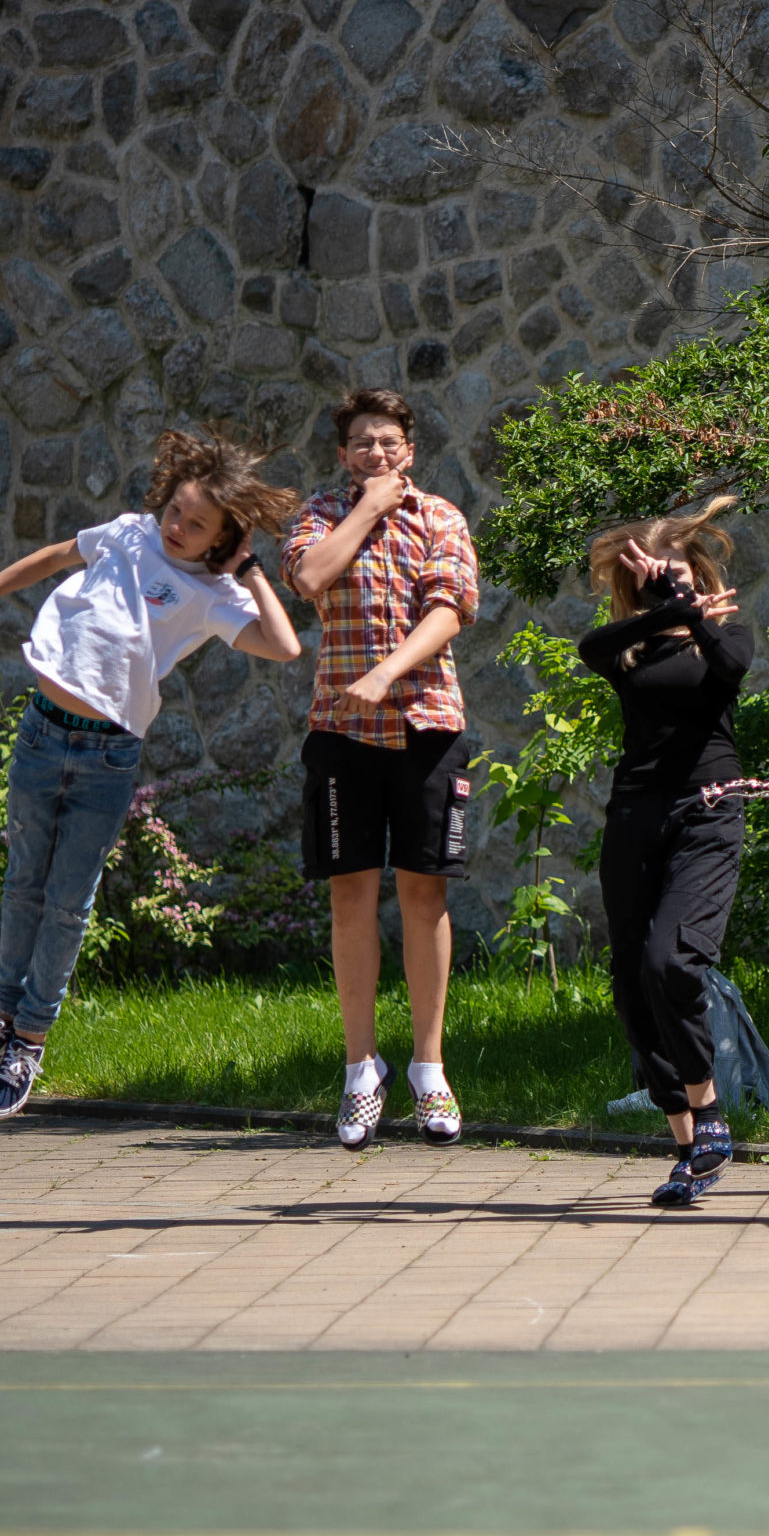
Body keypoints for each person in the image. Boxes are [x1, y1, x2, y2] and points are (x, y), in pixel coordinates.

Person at [0, 433, 301, 1117]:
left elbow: (285, 646)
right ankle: (1, 1016)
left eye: (197, 524)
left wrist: (250, 569)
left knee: (67, 901)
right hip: (41, 734)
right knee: (22, 884)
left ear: (222, 538)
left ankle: (29, 1038)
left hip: (107, 758)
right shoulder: (126, 534)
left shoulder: (213, 594)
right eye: (175, 511)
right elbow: (53, 557)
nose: (177, 527)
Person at [283, 389, 481, 1149]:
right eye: (363, 442)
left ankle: (429, 1070)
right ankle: (361, 1070)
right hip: (342, 728)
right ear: (343, 455)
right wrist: (366, 508)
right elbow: (309, 578)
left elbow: (449, 609)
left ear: (410, 450)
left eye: (388, 441)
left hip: (427, 723)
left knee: (425, 893)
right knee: (350, 894)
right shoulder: (320, 513)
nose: (376, 452)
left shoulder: (441, 517)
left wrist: (386, 673)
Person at [578, 498, 760, 1206]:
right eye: (655, 577)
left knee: (671, 961)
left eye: (678, 574)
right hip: (636, 816)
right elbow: (592, 648)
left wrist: (688, 611)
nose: (668, 584)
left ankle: (708, 1112)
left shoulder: (724, 633)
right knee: (632, 983)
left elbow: (732, 668)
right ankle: (688, 1145)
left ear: (697, 575)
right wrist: (661, 611)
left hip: (709, 810)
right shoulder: (628, 647)